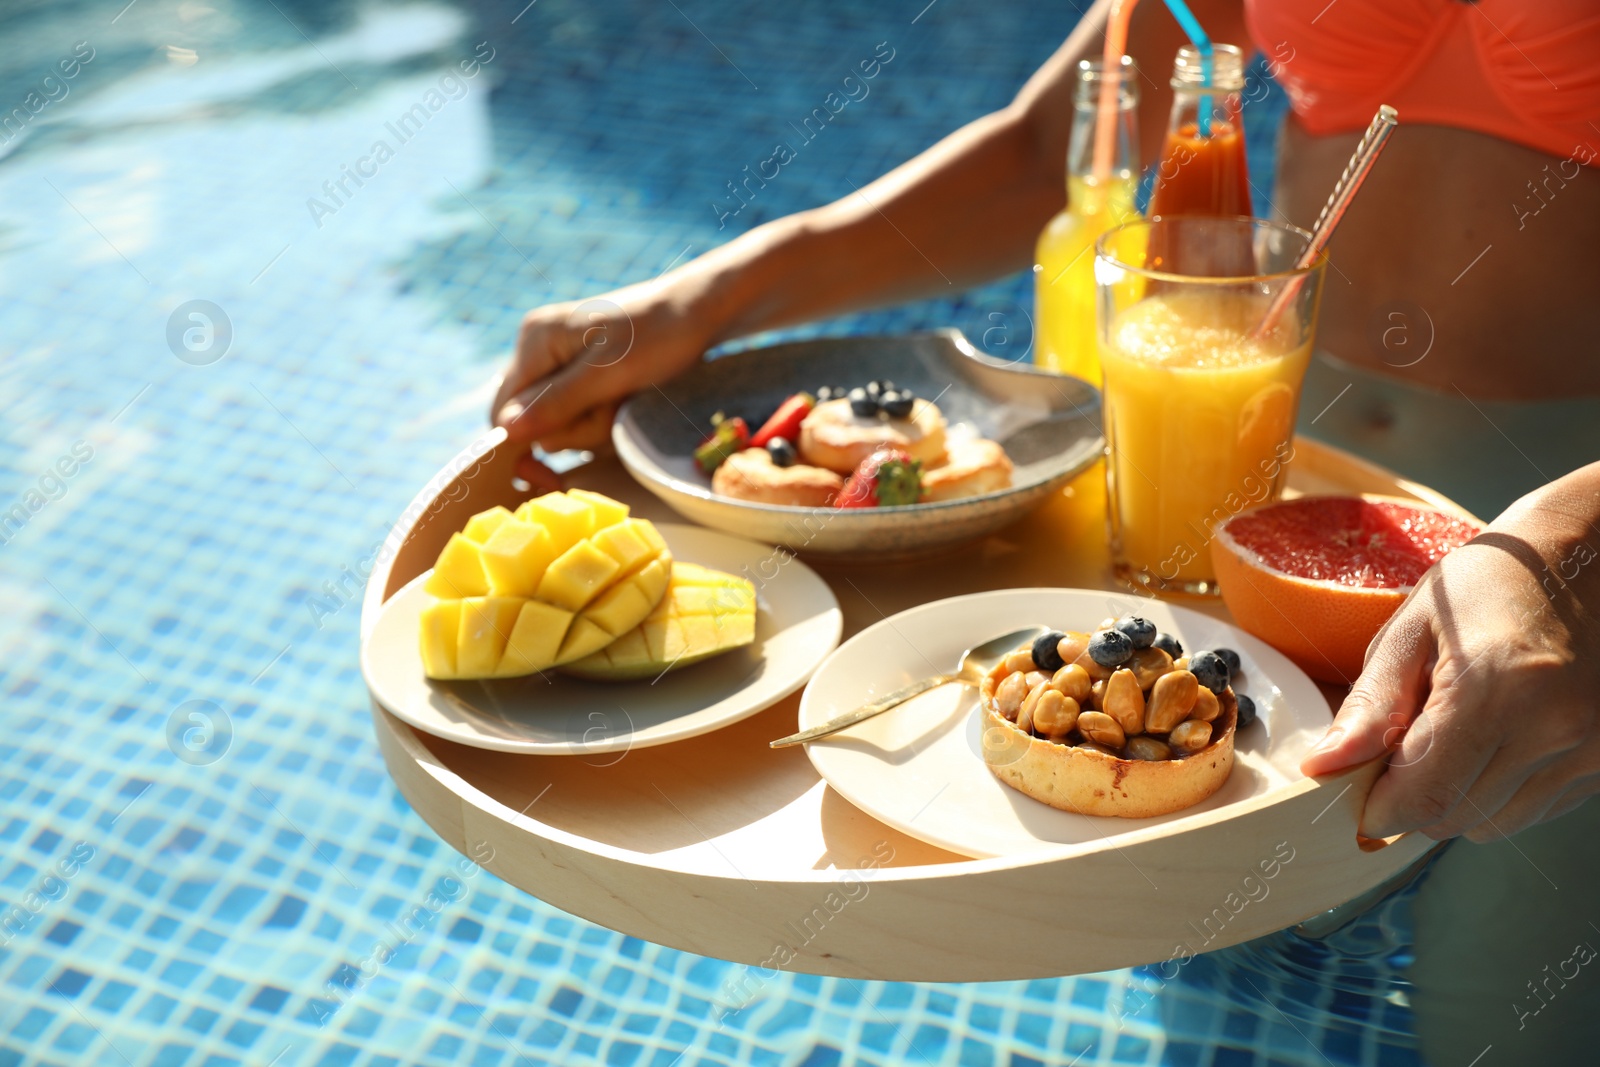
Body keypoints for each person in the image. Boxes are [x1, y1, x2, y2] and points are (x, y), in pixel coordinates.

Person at [492, 0, 1600, 1060]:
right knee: (1222, 953)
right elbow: (1044, 157)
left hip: (1565, 566)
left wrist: (1568, 534)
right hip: (1246, 497)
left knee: (1499, 1024)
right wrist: (709, 293)